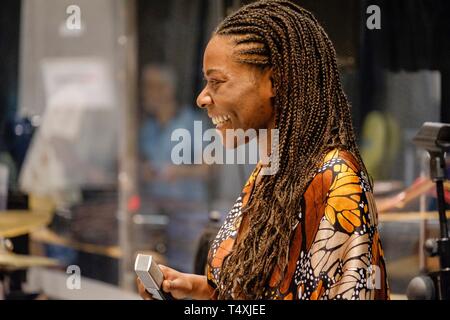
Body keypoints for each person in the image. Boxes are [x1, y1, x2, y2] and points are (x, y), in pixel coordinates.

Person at [137, 0, 389, 300]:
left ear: (274, 81)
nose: (202, 98)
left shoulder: (336, 179)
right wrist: (195, 288)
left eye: (217, 82)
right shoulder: (271, 171)